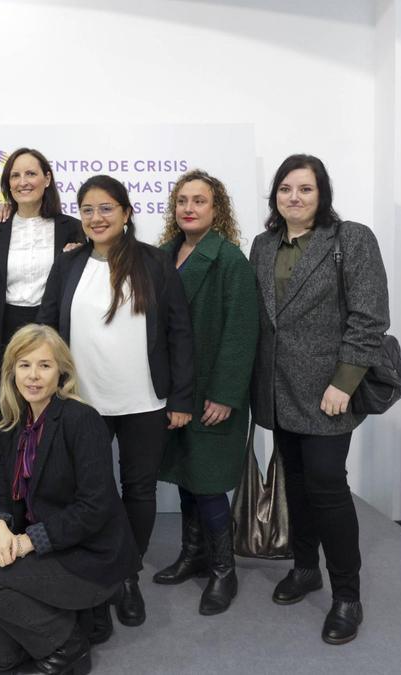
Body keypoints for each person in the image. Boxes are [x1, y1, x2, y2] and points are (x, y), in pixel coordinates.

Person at [36, 174, 193, 628]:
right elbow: (47, 328)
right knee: (89, 491)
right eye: (87, 209)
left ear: (126, 213)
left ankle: (127, 576)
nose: (96, 217)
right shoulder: (68, 264)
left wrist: (181, 397)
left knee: (139, 491)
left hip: (144, 399)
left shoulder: (155, 263)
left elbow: (179, 332)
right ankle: (90, 571)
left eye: (106, 208)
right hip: (81, 401)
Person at [249, 154, 390, 645]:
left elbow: (369, 317)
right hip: (277, 388)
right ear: (275, 196)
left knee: (328, 487)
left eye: (305, 189)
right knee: (297, 484)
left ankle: (347, 596)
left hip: (330, 390)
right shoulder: (263, 245)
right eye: (286, 189)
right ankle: (306, 567)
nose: (295, 197)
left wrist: (344, 382)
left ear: (321, 194)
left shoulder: (351, 239)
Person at [0, 324, 140, 675]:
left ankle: (70, 648)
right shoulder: (14, 422)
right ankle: (82, 618)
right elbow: (8, 494)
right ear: (12, 372)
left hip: (88, 557)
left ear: (62, 372)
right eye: (24, 365)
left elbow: (94, 507)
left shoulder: (81, 419)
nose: (33, 376)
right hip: (49, 550)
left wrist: (26, 541)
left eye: (44, 365)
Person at [152, 170, 258, 616]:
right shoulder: (162, 256)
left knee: (210, 483)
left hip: (211, 390)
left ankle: (222, 570)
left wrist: (226, 394)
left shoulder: (229, 259)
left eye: (199, 201)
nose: (189, 208)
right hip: (176, 389)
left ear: (217, 210)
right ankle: (192, 553)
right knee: (186, 477)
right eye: (182, 201)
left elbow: (241, 330)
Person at [0, 148, 83, 396]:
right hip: (1, 337)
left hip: (53, 332)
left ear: (47, 179)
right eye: (15, 176)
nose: (23, 182)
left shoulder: (73, 229)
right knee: (6, 418)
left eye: (30, 173)